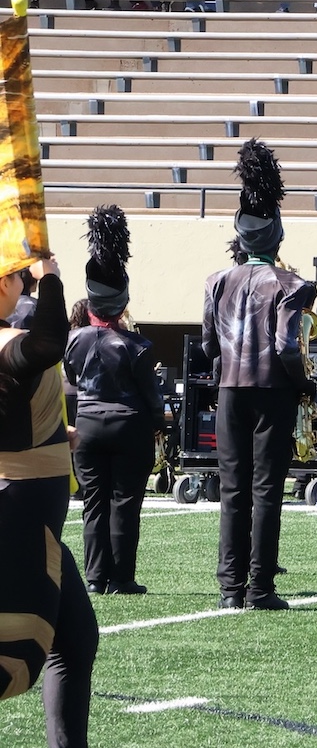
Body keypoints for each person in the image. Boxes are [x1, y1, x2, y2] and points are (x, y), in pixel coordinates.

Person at [0, 243, 138, 748]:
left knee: (74, 639)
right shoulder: (10, 342)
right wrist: (52, 279)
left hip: (35, 515)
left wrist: (58, 441)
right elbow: (47, 343)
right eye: (16, 277)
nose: (23, 286)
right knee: (13, 660)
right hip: (18, 515)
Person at [200, 140, 317, 610]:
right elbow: (287, 346)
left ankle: (231, 587)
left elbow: (209, 344)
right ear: (277, 236)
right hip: (271, 390)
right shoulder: (291, 284)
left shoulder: (217, 281)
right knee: (266, 489)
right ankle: (260, 586)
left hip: (230, 389)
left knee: (233, 488)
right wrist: (304, 382)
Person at [65, 209, 163, 598]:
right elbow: (151, 398)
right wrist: (161, 424)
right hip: (129, 427)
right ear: (122, 304)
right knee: (125, 504)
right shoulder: (137, 346)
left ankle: (95, 577)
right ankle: (121, 578)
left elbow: (73, 380)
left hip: (88, 425)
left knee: (94, 503)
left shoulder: (74, 340)